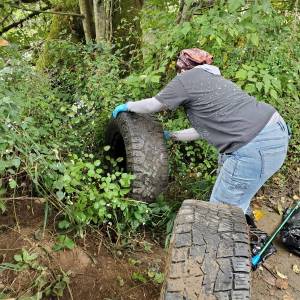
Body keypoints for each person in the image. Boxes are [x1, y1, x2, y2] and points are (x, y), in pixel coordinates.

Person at [111, 48, 290, 224]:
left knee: (220, 215)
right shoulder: (214, 81)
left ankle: (229, 250)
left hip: (253, 145)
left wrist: (127, 106)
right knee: (237, 203)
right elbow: (203, 130)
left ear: (183, 67)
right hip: (275, 134)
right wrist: (171, 136)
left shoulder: (187, 79)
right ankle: (246, 237)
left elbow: (154, 105)